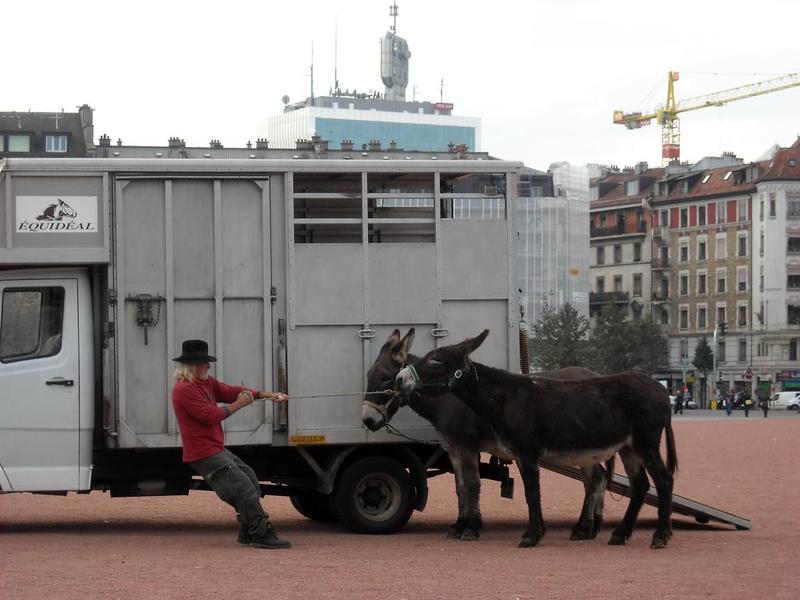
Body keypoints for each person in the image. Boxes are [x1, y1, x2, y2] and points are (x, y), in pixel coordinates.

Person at [171, 339, 291, 549]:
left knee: (250, 480)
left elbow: (229, 391)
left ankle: (247, 531)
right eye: (204, 363)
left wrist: (266, 395)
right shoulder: (184, 390)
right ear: (192, 365)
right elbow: (210, 416)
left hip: (214, 447)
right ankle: (260, 532)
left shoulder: (205, 382)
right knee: (242, 487)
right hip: (202, 451)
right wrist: (240, 404)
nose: (208, 366)